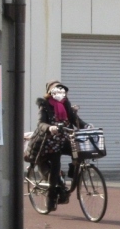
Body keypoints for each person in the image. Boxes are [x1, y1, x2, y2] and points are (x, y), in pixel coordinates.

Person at [34, 81, 87, 210]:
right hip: (50, 140)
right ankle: (51, 196)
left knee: (79, 151)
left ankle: (72, 171)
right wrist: (50, 127)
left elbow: (73, 119)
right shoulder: (45, 105)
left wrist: (86, 125)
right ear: (50, 92)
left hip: (65, 138)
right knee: (55, 165)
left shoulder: (65, 104)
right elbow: (40, 124)